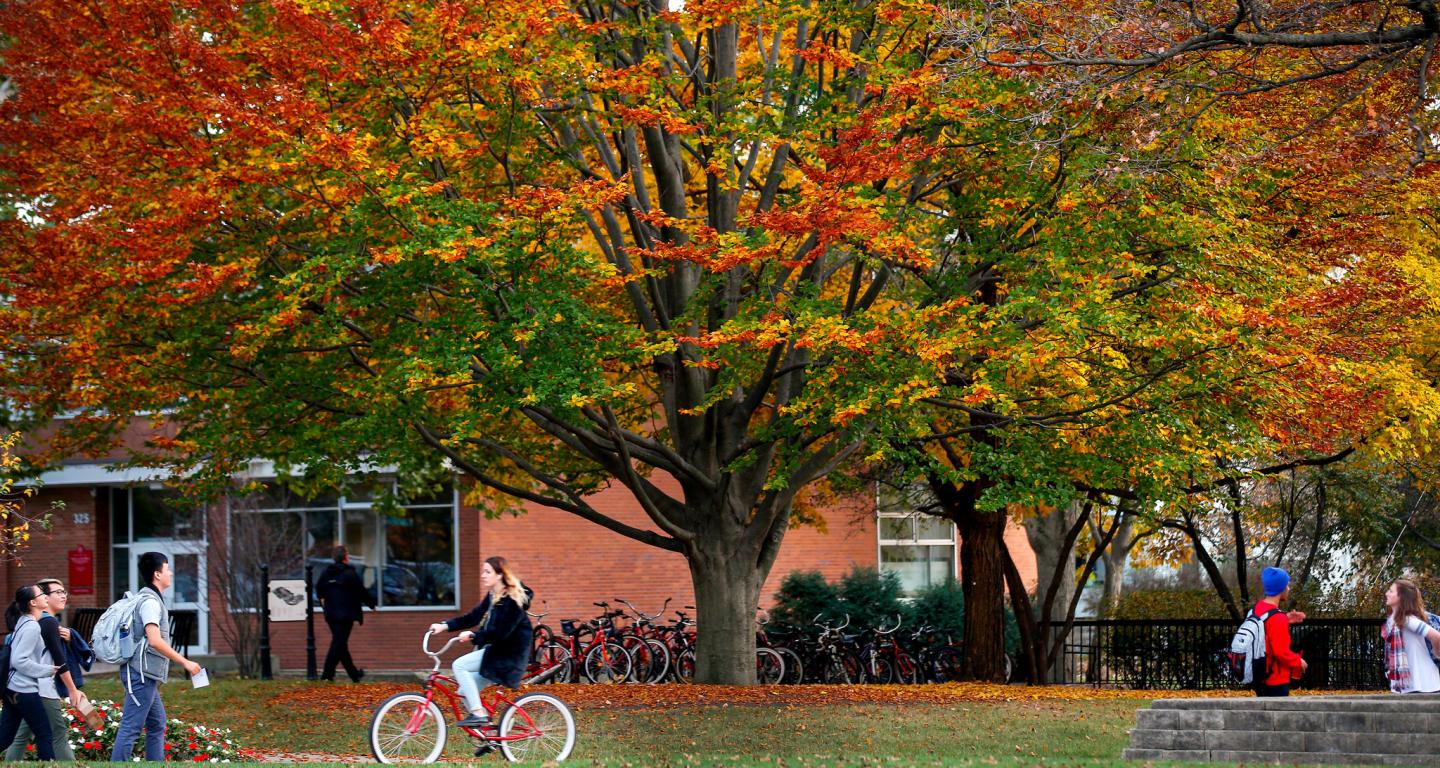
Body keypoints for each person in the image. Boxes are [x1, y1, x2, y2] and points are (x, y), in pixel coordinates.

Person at [111, 551, 203, 762]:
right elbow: (154, 639)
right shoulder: (150, 603)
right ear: (157, 574)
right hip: (140, 675)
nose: (170, 572)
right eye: (167, 568)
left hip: (145, 675)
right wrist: (185, 662)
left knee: (157, 724)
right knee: (131, 727)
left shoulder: (152, 599)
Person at [429, 556, 533, 730]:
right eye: (483, 571)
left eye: (487, 572)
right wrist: (444, 626)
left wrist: (474, 636)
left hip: (508, 656)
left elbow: (500, 633)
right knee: (464, 692)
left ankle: (479, 714)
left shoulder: (513, 601)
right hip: (498, 652)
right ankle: (489, 736)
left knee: (459, 665)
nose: (483, 575)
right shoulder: (494, 595)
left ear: (500, 575)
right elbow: (473, 616)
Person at [4, 578, 90, 761]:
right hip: (39, 688)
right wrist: (73, 690)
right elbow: (60, 661)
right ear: (42, 600)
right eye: (56, 592)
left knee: (20, 736)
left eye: (64, 591)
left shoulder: (36, 622)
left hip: (26, 687)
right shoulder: (46, 623)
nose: (63, 595)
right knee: (57, 733)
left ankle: (10, 764)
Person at [0, 585, 59, 760]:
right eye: (42, 594)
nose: (45, 595)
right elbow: (19, 660)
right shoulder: (32, 626)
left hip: (13, 689)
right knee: (45, 734)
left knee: (5, 737)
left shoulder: (23, 621)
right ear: (33, 602)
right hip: (24, 689)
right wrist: (47, 670)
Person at [316, 545, 375, 682]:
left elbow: (319, 588)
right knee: (338, 643)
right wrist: (372, 605)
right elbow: (361, 591)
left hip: (330, 614)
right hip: (346, 615)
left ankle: (354, 675)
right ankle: (327, 675)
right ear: (346, 558)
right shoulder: (350, 573)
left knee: (340, 644)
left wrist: (323, 601)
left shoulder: (326, 573)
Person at [1251, 566, 1307, 697]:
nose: (1289, 588)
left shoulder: (1256, 609)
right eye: (1287, 585)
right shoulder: (1277, 617)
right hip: (1276, 679)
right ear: (1280, 588)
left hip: (1260, 676)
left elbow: (1264, 630)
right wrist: (1298, 661)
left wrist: (1286, 619)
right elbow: (1281, 652)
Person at [1381, 578, 1440, 693]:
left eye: (1391, 591)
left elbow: (1436, 636)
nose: (1386, 593)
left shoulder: (1407, 620)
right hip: (1411, 684)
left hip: (1423, 683)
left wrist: (1437, 653)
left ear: (1401, 597)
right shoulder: (1393, 620)